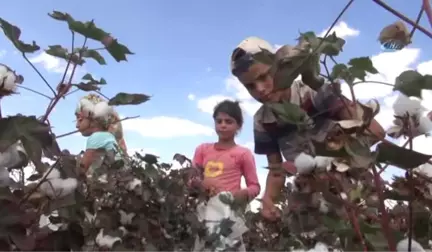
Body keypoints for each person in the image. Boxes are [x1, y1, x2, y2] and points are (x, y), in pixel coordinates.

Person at [229, 37, 385, 221]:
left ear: (279, 65)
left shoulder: (312, 92)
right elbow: (276, 171)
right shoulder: (263, 121)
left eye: (264, 77)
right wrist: (268, 200)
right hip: (315, 201)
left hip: (356, 191)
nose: (260, 89)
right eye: (250, 86)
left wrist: (334, 163)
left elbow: (374, 131)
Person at [190, 99, 260, 251]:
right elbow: (191, 179)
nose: (223, 125)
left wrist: (241, 195)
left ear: (238, 126)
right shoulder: (203, 149)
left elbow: (255, 186)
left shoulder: (243, 154)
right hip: (205, 212)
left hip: (229, 214)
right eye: (219, 121)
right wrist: (200, 184)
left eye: (229, 121)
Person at [75, 93, 128, 175]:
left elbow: (82, 168)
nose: (77, 125)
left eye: (80, 119)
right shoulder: (108, 137)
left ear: (93, 119)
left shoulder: (97, 137)